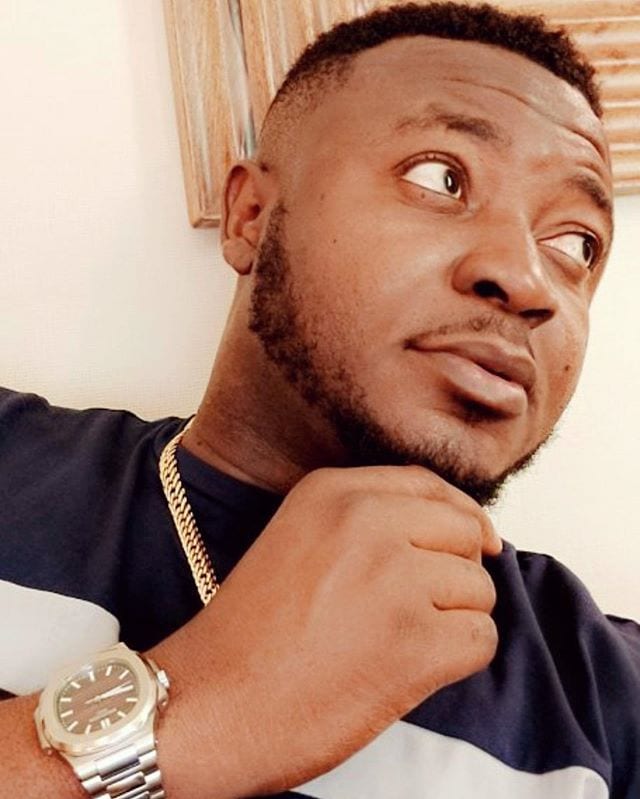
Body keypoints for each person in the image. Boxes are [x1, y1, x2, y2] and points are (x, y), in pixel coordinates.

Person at [1, 2, 637, 797]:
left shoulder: (609, 697)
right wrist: (199, 709)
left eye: (575, 243)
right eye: (441, 178)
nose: (525, 278)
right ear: (251, 216)